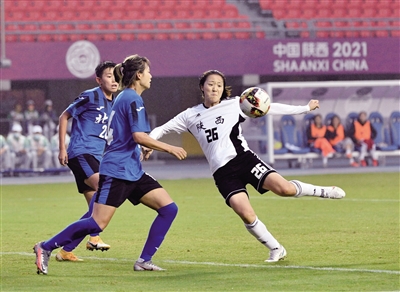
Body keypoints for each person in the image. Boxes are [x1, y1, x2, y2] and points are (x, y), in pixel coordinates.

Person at [146, 70, 346, 263]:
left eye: (219, 85)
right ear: (202, 87)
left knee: (285, 189)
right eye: (210, 84)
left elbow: (270, 107)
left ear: (223, 89)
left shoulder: (235, 104)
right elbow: (161, 129)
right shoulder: (189, 115)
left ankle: (324, 191)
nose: (215, 88)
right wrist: (149, 144)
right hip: (222, 173)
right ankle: (276, 248)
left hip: (244, 160)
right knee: (245, 213)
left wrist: (304, 108)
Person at [33, 54, 187, 275]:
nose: (151, 76)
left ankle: (144, 260)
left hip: (131, 169)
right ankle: (45, 246)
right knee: (97, 223)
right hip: (117, 171)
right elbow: (138, 136)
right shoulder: (131, 98)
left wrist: (141, 146)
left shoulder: (123, 97)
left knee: (169, 208)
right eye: (148, 71)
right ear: (139, 75)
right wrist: (170, 147)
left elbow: (129, 135)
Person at [54, 61, 118, 261]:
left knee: (96, 209)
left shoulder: (114, 102)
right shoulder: (90, 96)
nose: (114, 79)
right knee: (105, 189)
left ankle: (68, 250)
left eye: (116, 75)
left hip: (97, 155)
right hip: (81, 152)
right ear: (99, 80)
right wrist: (62, 148)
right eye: (109, 76)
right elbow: (64, 116)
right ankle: (91, 238)